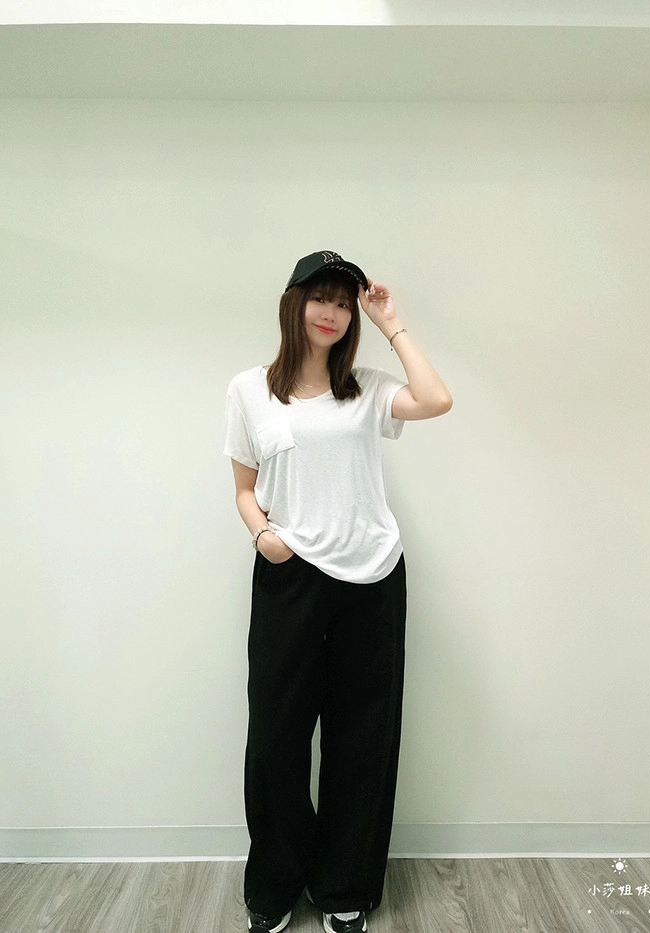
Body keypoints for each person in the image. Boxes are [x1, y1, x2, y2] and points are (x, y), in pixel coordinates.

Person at [223, 251, 452, 933]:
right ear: (293, 303)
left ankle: (344, 883)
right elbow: (243, 487)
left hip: (371, 577)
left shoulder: (367, 388)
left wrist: (391, 322)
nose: (332, 312)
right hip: (290, 575)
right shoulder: (248, 390)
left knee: (362, 737)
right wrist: (264, 535)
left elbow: (436, 400)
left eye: (344, 302)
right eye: (320, 297)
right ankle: (275, 882)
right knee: (276, 737)